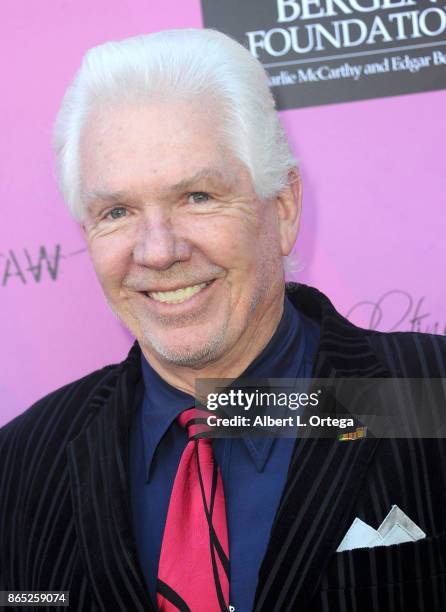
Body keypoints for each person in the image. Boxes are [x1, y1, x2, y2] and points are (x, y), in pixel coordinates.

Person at [1, 28, 445, 612]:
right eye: (117, 211)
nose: (158, 251)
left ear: (282, 208)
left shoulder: (426, 398)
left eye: (198, 196)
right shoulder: (21, 464)